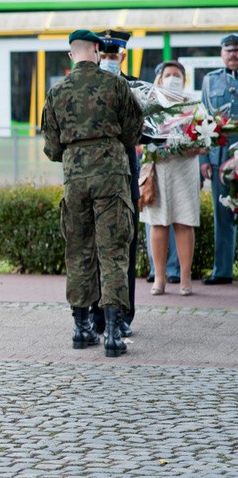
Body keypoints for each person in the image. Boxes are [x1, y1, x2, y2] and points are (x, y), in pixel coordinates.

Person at [41, 29, 143, 358]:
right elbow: (132, 132)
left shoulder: (57, 91)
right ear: (98, 51)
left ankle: (81, 327)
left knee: (78, 250)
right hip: (112, 175)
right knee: (113, 251)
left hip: (75, 177)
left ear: (72, 54)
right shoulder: (116, 84)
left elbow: (52, 147)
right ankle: (112, 332)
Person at [90, 29, 139, 338]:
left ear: (122, 56)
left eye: (113, 55)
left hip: (125, 177)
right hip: (93, 178)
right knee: (92, 249)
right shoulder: (86, 87)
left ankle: (121, 315)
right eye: (104, 54)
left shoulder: (135, 87)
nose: (109, 60)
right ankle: (95, 316)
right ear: (96, 55)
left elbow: (144, 133)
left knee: (125, 248)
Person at [140, 61, 200, 296]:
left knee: (184, 222)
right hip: (160, 170)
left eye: (177, 75)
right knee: (158, 222)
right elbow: (140, 137)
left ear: (184, 80)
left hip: (185, 169)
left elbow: (207, 137)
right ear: (160, 79)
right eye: (168, 74)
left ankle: (185, 278)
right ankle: (159, 277)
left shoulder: (193, 105)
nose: (172, 78)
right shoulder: (152, 106)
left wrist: (198, 145)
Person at [199, 33, 238, 285]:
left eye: (237, 50)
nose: (233, 54)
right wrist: (204, 158)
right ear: (222, 54)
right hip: (221, 155)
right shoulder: (210, 80)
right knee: (223, 213)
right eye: (229, 50)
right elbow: (203, 120)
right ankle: (222, 271)